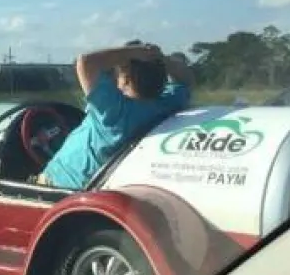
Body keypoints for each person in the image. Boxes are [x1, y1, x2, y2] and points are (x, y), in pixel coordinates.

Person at [36, 41, 192, 190]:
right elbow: (186, 79)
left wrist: (137, 52)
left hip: (58, 186)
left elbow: (85, 62)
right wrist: (160, 57)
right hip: (96, 187)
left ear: (125, 79)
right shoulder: (166, 105)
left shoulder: (115, 111)